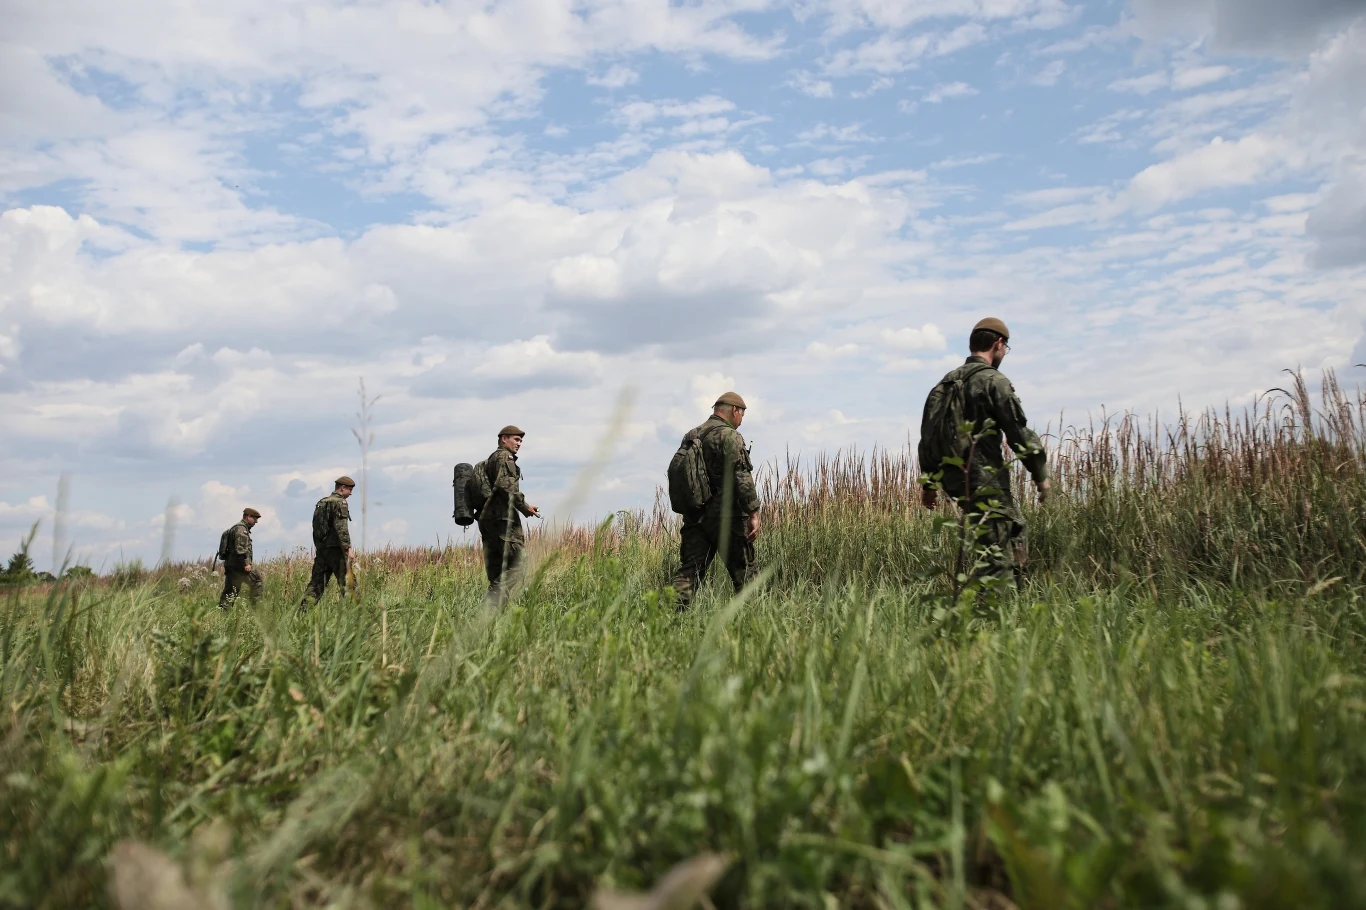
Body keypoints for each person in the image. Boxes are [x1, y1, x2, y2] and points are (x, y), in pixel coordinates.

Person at [918, 318, 1051, 586]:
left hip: (955, 479)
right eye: (1005, 349)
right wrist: (1040, 475)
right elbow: (1018, 431)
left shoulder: (942, 386)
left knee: (1003, 536)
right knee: (1000, 547)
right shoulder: (993, 381)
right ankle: (993, 614)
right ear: (998, 344)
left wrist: (930, 484)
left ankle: (1001, 608)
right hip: (983, 478)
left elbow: (928, 437)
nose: (1004, 354)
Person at [672, 391, 761, 608]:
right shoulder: (730, 436)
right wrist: (754, 512)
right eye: (742, 415)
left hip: (695, 517)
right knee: (746, 574)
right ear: (734, 411)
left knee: (689, 572)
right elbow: (741, 476)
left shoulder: (692, 435)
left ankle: (668, 621)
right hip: (727, 517)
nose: (741, 421)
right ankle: (754, 623)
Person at [478, 426, 540, 607]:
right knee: (519, 566)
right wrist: (524, 507)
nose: (519, 443)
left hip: (489, 524)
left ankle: (491, 623)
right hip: (503, 523)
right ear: (503, 439)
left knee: (499, 574)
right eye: (516, 439)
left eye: (521, 441)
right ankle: (486, 609)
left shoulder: (491, 459)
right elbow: (507, 487)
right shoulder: (504, 457)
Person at [301, 476, 355, 607]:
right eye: (350, 489)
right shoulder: (340, 502)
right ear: (342, 488)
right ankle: (355, 616)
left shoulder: (322, 502)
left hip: (322, 550)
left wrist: (320, 546)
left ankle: (301, 615)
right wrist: (348, 549)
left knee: (315, 585)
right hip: (336, 550)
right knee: (349, 584)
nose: (351, 493)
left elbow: (316, 527)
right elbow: (341, 528)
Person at [219, 507, 264, 608]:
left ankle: (223, 612)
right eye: (255, 519)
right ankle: (256, 609)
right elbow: (240, 549)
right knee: (257, 581)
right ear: (248, 517)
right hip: (239, 565)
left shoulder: (235, 528)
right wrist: (246, 564)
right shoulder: (241, 529)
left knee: (230, 590)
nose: (256, 522)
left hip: (231, 564)